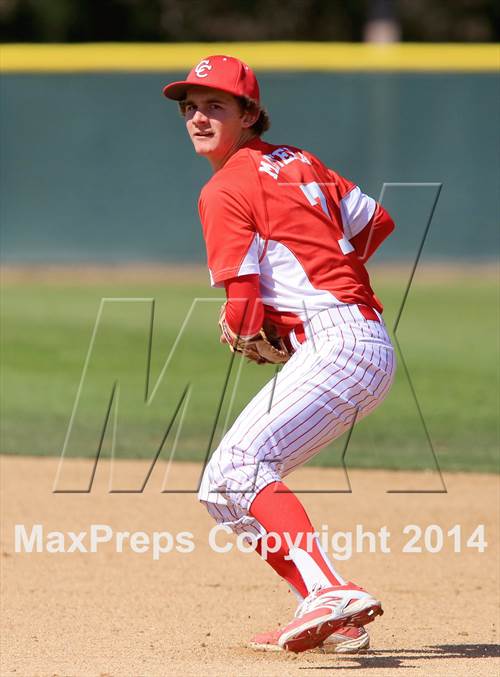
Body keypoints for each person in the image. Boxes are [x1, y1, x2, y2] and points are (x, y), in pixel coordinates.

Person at [163, 55, 396, 654]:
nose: (198, 117)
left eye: (216, 105)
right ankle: (330, 615)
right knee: (222, 485)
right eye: (191, 106)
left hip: (336, 341)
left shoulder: (223, 189)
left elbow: (242, 308)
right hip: (356, 338)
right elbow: (376, 224)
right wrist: (319, 272)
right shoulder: (298, 161)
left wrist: (246, 328)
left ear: (248, 113)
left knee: (241, 468)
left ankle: (330, 593)